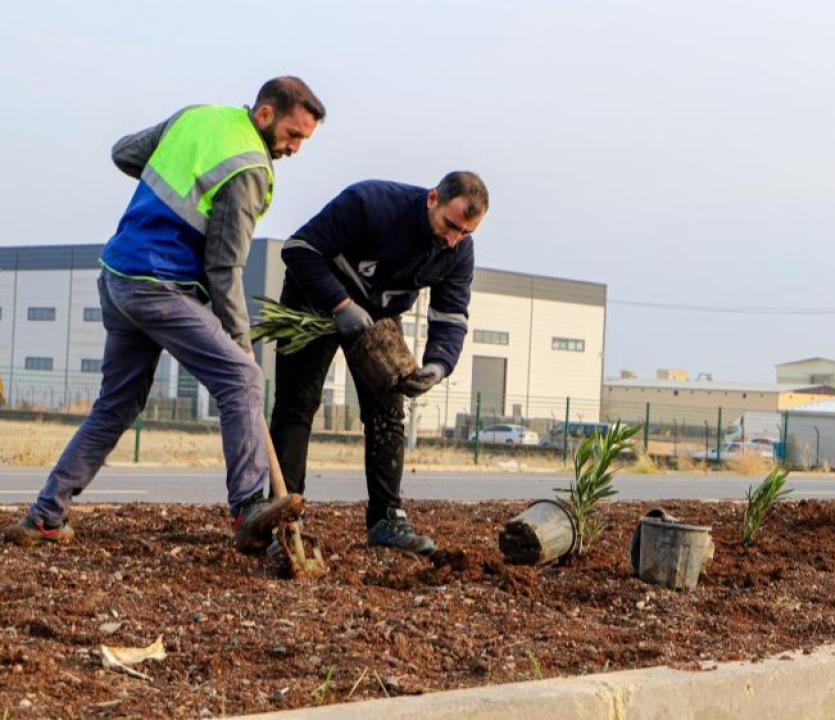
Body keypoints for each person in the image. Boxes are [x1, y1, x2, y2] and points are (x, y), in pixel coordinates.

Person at [3, 77, 325, 554]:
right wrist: (240, 343)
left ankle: (45, 516)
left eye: (303, 140)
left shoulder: (196, 117)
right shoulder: (250, 168)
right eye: (293, 135)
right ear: (264, 115)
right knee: (242, 379)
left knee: (117, 404)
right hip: (158, 285)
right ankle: (250, 507)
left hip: (118, 276)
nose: (296, 148)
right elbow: (223, 267)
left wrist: (173, 201)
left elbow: (123, 152)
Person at [268, 172, 488, 554]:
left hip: (378, 319)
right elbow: (300, 248)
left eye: (465, 232)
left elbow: (451, 314)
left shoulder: (458, 251)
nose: (453, 238)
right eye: (450, 225)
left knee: (388, 409)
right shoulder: (370, 204)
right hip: (315, 302)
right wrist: (340, 305)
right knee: (297, 406)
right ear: (432, 198)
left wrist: (438, 364)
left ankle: (386, 519)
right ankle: (285, 521)